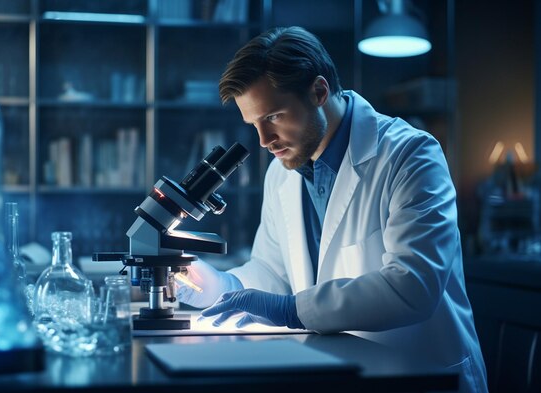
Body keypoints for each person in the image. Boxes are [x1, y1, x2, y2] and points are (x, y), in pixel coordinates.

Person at [175, 26, 487, 393]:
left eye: (273, 116)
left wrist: (293, 311)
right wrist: (223, 288)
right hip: (333, 371)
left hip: (419, 373)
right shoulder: (282, 171)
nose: (263, 140)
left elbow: (412, 286)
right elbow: (273, 273)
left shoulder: (410, 155)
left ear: (319, 91)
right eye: (254, 124)